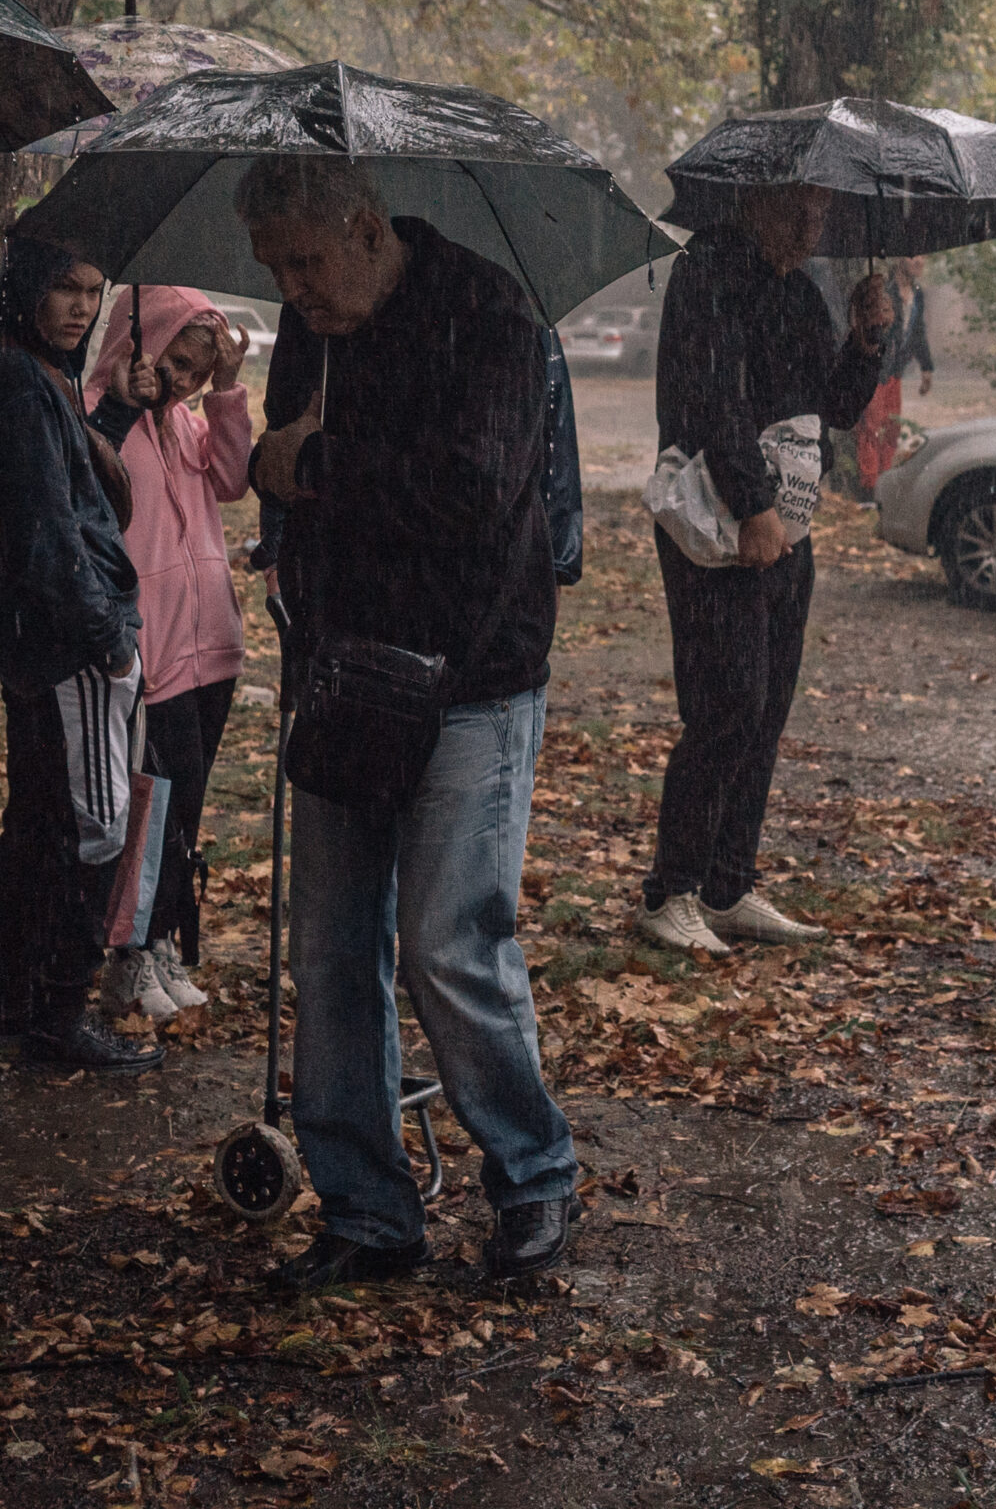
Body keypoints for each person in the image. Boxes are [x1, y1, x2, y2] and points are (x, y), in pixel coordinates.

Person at [242, 157, 579, 1288]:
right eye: (275, 269)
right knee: (334, 951)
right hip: (341, 666)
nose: (295, 288)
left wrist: (320, 466)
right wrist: (278, 477)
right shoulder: (312, 330)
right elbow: (281, 470)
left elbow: (474, 490)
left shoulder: (488, 314)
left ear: (366, 226)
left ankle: (533, 1176)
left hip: (474, 672)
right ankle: (364, 1207)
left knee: (448, 940)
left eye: (308, 260)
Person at [640, 184, 892, 957]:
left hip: (787, 529)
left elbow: (836, 408)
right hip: (720, 524)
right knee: (727, 704)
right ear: (754, 202)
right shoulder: (707, 271)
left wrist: (868, 340)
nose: (812, 227)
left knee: (768, 708)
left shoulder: (801, 291)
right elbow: (714, 396)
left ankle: (726, 884)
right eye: (798, 211)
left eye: (819, 215)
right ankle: (670, 892)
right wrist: (752, 506)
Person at [0, 237, 160, 1074]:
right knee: (95, 824)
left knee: (39, 821)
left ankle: (7, 1004)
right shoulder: (11, 380)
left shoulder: (25, 374)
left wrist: (114, 414)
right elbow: (46, 533)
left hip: (43, 639)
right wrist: (106, 641)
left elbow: (68, 486)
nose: (81, 307)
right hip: (67, 642)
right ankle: (59, 1011)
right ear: (26, 288)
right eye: (64, 289)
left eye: (93, 291)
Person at [85, 289, 253, 1023]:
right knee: (152, 804)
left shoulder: (187, 424)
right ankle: (130, 950)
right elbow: (90, 495)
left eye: (198, 369)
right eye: (178, 362)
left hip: (209, 640)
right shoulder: (101, 417)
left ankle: (162, 941)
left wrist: (226, 394)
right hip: (152, 646)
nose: (184, 379)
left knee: (188, 801)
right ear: (142, 342)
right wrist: (127, 402)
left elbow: (233, 480)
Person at [852, 253, 934, 502]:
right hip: (877, 370)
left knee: (891, 427)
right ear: (900, 260)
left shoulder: (918, 294)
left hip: (896, 371)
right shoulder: (885, 292)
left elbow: (917, 332)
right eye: (912, 256)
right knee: (870, 427)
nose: (919, 261)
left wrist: (926, 367)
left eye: (922, 256)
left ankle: (884, 484)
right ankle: (869, 488)